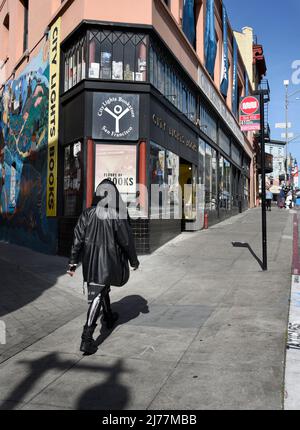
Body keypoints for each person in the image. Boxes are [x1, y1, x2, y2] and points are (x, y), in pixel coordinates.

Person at [67, 179, 140, 355]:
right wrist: (133, 260)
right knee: (98, 293)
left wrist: (73, 262)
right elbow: (126, 241)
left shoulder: (87, 213)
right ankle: (87, 338)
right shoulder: (117, 215)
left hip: (90, 259)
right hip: (109, 260)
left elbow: (77, 239)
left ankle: (108, 316)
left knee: (100, 287)